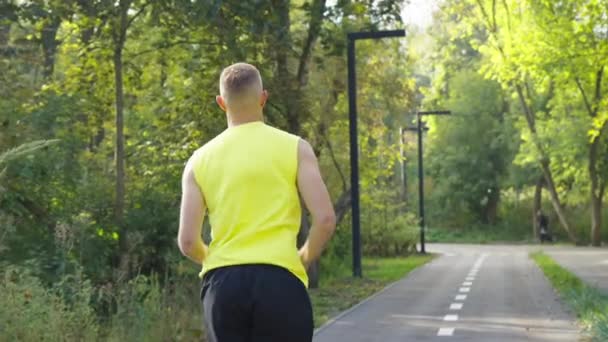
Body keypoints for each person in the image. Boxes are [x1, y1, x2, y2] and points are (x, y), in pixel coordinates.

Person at [177, 62, 336, 342]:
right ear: (263, 97)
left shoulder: (198, 160)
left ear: (221, 103)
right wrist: (303, 257)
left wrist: (214, 258)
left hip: (223, 287)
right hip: (281, 281)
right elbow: (324, 219)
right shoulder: (295, 148)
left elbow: (188, 242)